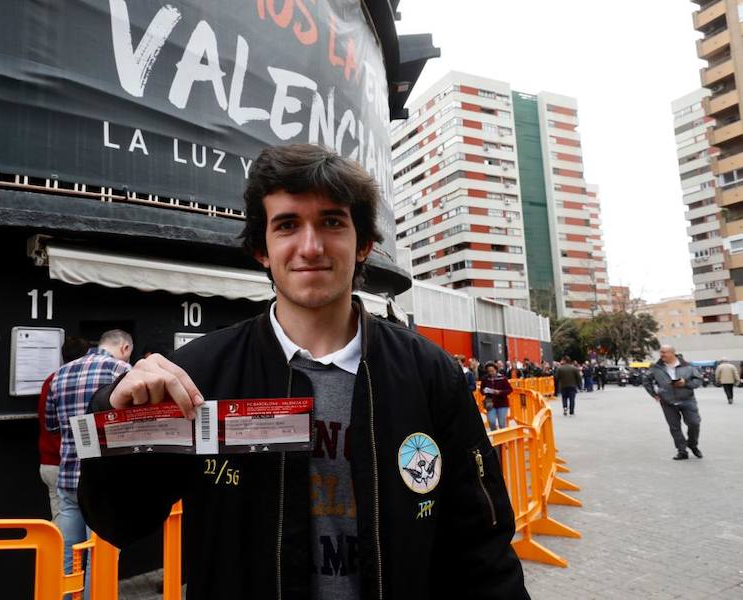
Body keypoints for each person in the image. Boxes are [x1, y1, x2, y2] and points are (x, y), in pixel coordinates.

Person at [78, 144, 528, 599]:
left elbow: (482, 549)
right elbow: (119, 519)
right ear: (262, 248)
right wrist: (114, 417)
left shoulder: (430, 373)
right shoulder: (199, 374)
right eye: (288, 224)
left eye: (332, 222)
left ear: (364, 243)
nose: (310, 247)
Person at [45, 330, 132, 580]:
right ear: (125, 347)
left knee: (67, 555)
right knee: (101, 561)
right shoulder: (122, 371)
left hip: (69, 477)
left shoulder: (59, 374)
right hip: (106, 483)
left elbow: (51, 425)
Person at [37, 336, 90, 521]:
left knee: (61, 525)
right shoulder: (82, 383)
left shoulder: (52, 380)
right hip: (72, 464)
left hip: (50, 463)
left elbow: (49, 422)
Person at [644, 346, 704, 460]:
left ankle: (692, 444)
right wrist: (654, 394)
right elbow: (646, 380)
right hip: (667, 402)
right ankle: (682, 451)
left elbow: (698, 380)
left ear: (672, 353)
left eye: (664, 352)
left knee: (694, 423)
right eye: (660, 352)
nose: (661, 355)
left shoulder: (688, 366)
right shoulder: (656, 367)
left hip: (687, 400)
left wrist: (685, 383)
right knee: (675, 427)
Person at [481, 361, 513, 431]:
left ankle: (503, 439)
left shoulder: (502, 378)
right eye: (489, 371)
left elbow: (510, 390)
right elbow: (481, 390)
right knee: (491, 421)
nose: (491, 373)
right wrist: (484, 391)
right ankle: (496, 436)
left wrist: (499, 392)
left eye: (492, 371)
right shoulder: (485, 379)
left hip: (502, 404)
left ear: (496, 369)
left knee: (502, 424)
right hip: (490, 404)